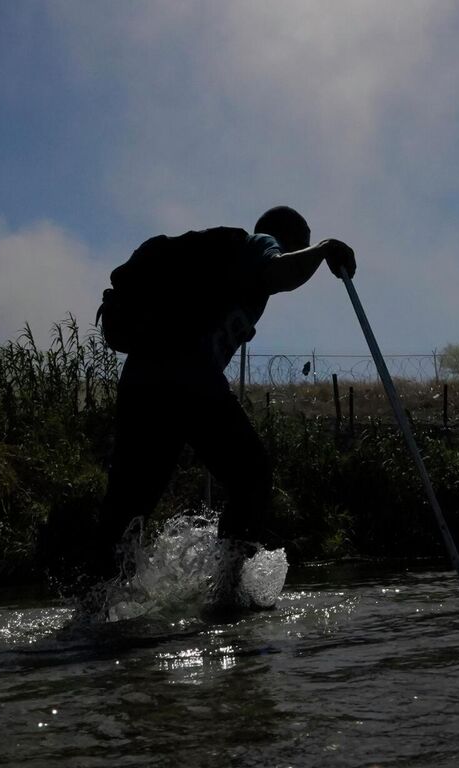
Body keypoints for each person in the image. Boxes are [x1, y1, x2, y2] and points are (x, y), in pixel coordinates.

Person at [78, 205, 355, 610]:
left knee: (129, 506)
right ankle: (228, 595)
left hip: (143, 381)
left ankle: (92, 610)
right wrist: (324, 248)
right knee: (252, 475)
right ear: (289, 239)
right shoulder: (260, 245)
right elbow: (280, 272)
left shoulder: (225, 271)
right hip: (186, 377)